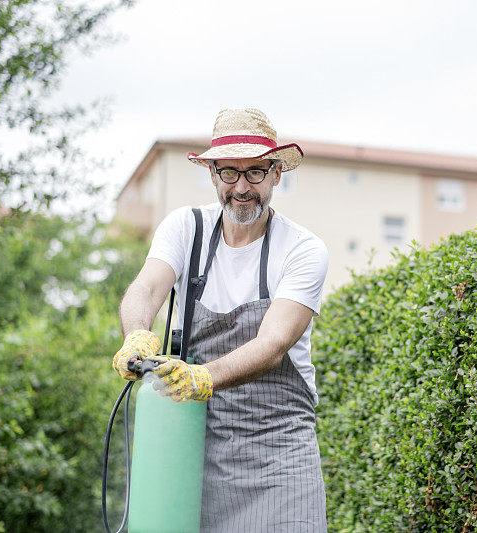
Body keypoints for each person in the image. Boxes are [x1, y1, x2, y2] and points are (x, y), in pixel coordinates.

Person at [112, 108, 329, 532]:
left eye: (256, 173)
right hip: (199, 449)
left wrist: (202, 378)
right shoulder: (185, 227)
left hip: (280, 452)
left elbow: (273, 346)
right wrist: (137, 334)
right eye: (230, 173)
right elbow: (147, 288)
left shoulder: (303, 249)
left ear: (276, 173)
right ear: (212, 174)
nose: (243, 188)